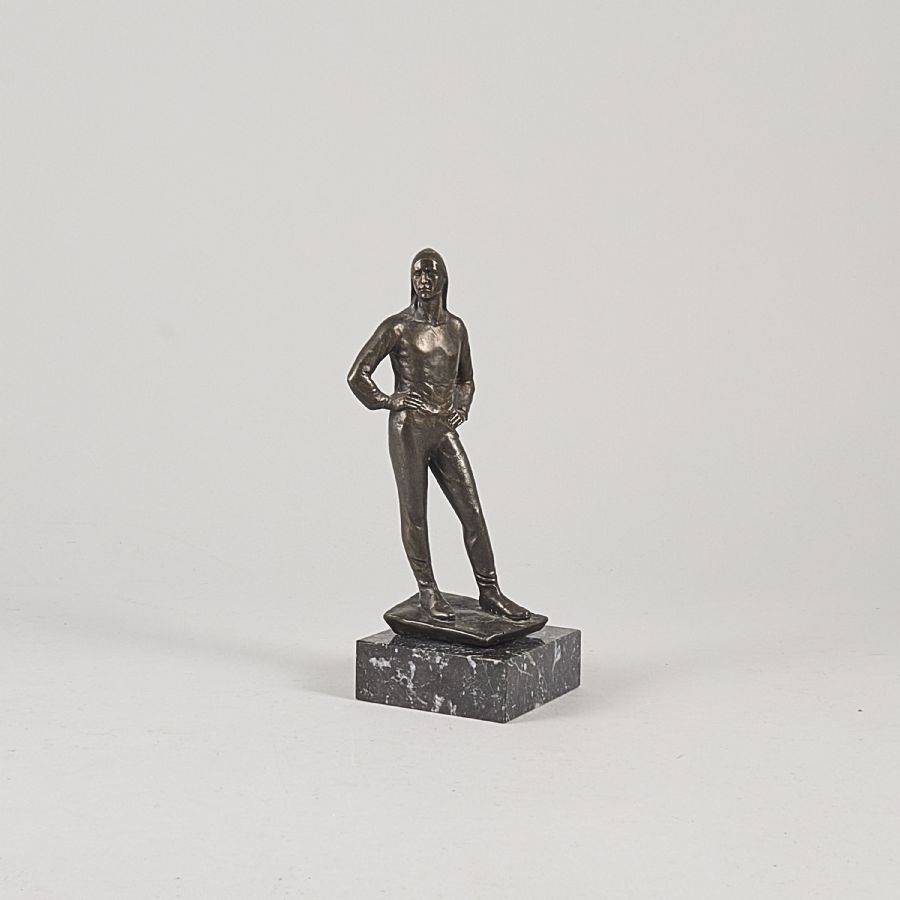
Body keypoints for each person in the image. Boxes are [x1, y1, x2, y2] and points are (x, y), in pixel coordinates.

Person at [348, 248, 530, 623]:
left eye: (431, 273)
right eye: (418, 273)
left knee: (472, 512)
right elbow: (357, 375)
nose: (424, 280)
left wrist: (462, 407)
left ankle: (490, 592)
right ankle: (428, 591)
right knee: (415, 514)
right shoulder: (397, 327)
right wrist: (388, 400)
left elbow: (466, 379)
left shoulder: (456, 328)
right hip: (409, 429)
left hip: (442, 428)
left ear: (444, 279)